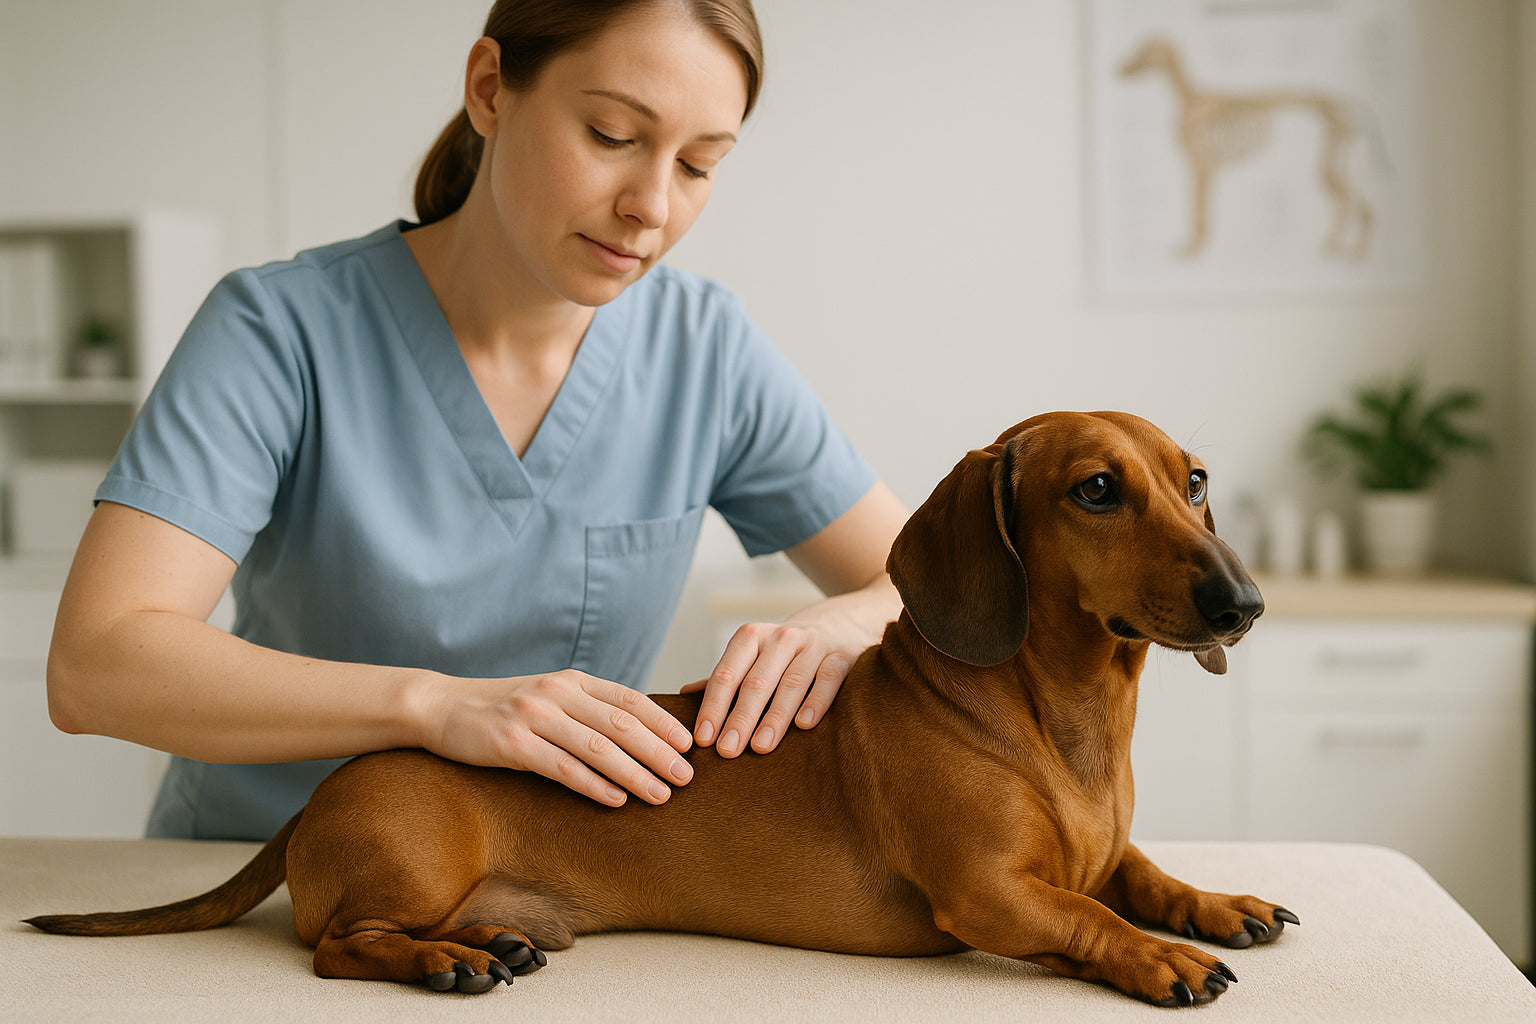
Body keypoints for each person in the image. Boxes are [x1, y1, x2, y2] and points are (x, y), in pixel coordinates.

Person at [43, 0, 908, 842]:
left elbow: (915, 581)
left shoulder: (705, 350)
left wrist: (837, 626)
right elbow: (97, 663)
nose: (651, 205)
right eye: (612, 135)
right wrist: (435, 706)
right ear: (490, 89)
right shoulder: (277, 332)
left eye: (698, 164)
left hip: (537, 895)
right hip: (253, 875)